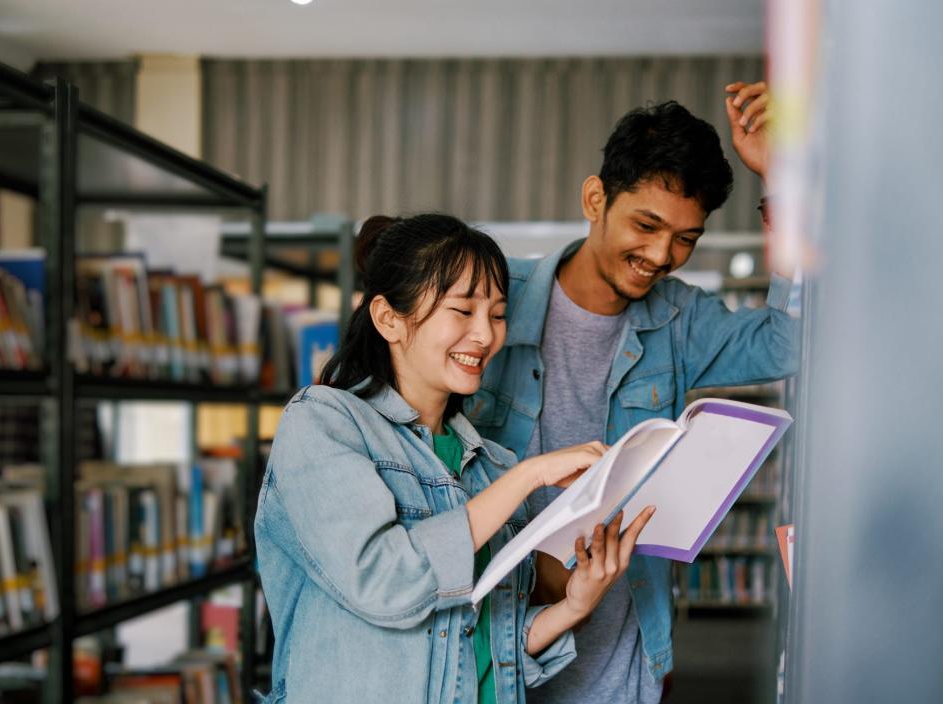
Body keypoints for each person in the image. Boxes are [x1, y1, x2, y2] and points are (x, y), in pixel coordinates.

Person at [464, 81, 798, 704]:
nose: (660, 255)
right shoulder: (491, 299)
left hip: (622, 663)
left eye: (685, 238)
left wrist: (781, 186)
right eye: (646, 225)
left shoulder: (680, 320)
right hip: (491, 653)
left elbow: (791, 340)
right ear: (596, 198)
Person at [255, 213, 655, 704]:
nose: (486, 335)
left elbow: (489, 641)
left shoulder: (492, 464)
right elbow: (383, 581)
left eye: (498, 314)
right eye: (463, 311)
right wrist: (529, 476)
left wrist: (574, 606)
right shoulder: (322, 425)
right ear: (388, 319)